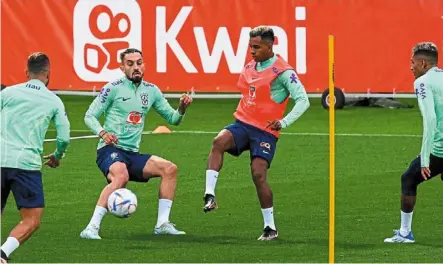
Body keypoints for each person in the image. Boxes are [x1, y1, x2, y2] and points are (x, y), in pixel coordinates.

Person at [202, 26, 310, 241]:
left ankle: (270, 227)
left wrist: (284, 121)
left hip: (266, 131)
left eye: (256, 47)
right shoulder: (250, 66)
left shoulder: (284, 72)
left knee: (258, 174)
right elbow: (248, 94)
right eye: (250, 46)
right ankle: (209, 194)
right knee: (219, 141)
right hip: (243, 123)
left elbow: (303, 100)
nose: (251, 51)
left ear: (270, 46)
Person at [80, 48, 193, 239]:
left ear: (144, 65)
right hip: (110, 150)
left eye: (139, 63)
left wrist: (182, 108)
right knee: (121, 175)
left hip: (132, 153)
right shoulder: (113, 88)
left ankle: (162, 224)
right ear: (122, 67)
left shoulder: (151, 91)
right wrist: (103, 133)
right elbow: (89, 115)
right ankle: (91, 228)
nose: (136, 67)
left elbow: (173, 119)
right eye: (130, 64)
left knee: (169, 169)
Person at [0, 52, 70, 263]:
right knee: (32, 219)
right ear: (48, 73)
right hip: (26, 166)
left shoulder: (7, 93)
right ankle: (3, 253)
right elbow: (64, 137)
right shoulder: (53, 101)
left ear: (26, 72)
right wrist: (57, 156)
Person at [384, 42, 443, 243]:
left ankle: (404, 232)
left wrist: (425, 157)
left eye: (413, 63)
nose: (411, 67)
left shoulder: (423, 82)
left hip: (439, 149)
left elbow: (430, 120)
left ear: (424, 63)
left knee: (409, 178)